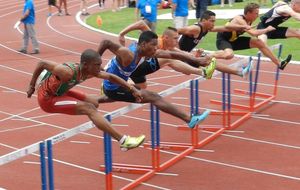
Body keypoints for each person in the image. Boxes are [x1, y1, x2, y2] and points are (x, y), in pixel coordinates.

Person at [27, 49, 145, 151]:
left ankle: (113, 104)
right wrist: (32, 86)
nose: (100, 68)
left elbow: (110, 77)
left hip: (61, 91)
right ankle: (124, 141)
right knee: (89, 108)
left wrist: (131, 89)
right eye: (97, 65)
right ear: (85, 64)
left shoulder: (89, 71)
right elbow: (42, 63)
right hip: (48, 99)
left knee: (94, 103)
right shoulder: (67, 72)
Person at [99, 31, 211, 129]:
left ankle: (96, 99)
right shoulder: (128, 54)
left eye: (156, 46)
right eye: (153, 45)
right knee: (154, 97)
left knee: (139, 88)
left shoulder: (145, 51)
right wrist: (98, 60)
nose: (156, 48)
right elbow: (105, 42)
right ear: (143, 44)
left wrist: (197, 60)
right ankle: (189, 119)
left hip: (118, 84)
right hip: (113, 87)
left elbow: (171, 54)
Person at [118, 20, 216, 89]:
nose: (177, 41)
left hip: (137, 70)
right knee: (169, 60)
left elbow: (183, 56)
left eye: (178, 38)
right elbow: (141, 23)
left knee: (142, 87)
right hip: (133, 67)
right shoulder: (157, 42)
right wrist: (122, 34)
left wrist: (196, 57)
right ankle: (203, 72)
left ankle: (118, 86)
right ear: (166, 38)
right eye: (175, 38)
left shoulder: (171, 47)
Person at [177, 10, 254, 79]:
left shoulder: (206, 29)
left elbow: (225, 28)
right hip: (177, 55)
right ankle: (204, 71)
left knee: (207, 61)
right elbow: (176, 31)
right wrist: (177, 50)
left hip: (184, 57)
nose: (213, 23)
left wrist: (243, 27)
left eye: (214, 21)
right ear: (204, 20)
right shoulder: (195, 28)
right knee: (203, 62)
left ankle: (240, 72)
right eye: (212, 21)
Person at [216, 3, 292, 70]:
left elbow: (254, 32)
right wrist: (266, 30)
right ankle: (208, 56)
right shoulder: (239, 19)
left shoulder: (250, 20)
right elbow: (253, 33)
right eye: (256, 13)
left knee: (259, 42)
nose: (258, 15)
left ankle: (280, 64)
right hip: (223, 40)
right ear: (249, 13)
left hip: (234, 40)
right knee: (229, 55)